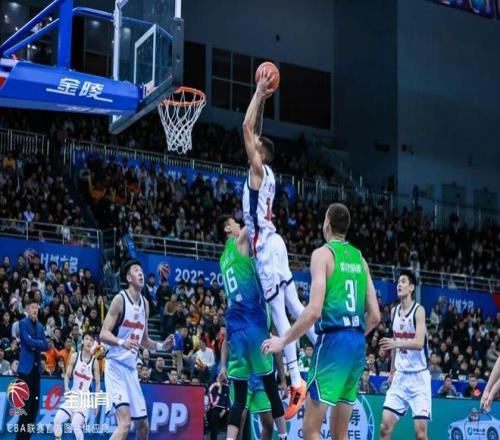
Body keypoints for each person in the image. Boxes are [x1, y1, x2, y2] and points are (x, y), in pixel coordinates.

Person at [262, 203, 380, 440]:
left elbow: (314, 311)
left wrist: (283, 341)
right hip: (357, 345)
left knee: (310, 430)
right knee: (340, 435)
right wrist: (353, 336)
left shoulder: (323, 254)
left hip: (333, 343)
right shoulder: (360, 259)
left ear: (327, 222)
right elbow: (375, 316)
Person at [242, 69, 316, 419]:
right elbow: (255, 128)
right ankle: (322, 341)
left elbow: (246, 128)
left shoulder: (258, 171)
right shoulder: (268, 172)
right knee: (294, 302)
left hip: (266, 249)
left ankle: (297, 381)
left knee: (278, 312)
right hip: (277, 242)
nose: (251, 146)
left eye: (255, 147)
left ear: (261, 155)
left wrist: (258, 91)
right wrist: (262, 101)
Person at [217, 215, 287, 440]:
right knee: (271, 388)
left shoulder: (222, 259)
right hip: (253, 325)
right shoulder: (239, 242)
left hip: (236, 331)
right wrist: (266, 208)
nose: (238, 225)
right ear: (228, 229)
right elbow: (252, 219)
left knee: (238, 400)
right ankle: (285, 437)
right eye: (234, 223)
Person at [100, 260, 174, 440]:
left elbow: (144, 340)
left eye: (141, 270)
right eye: (136, 271)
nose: (141, 273)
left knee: (143, 427)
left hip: (131, 370)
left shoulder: (145, 304)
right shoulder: (120, 300)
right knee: (125, 423)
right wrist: (121, 342)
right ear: (128, 278)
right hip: (115, 366)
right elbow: (103, 334)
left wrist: (161, 346)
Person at [379, 270, 431, 440]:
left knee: (420, 434)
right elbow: (394, 344)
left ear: (411, 287)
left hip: (419, 378)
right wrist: (392, 371)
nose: (398, 285)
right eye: (398, 282)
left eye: (403, 282)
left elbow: (419, 343)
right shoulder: (394, 311)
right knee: (384, 428)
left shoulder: (419, 311)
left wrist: (397, 343)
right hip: (400, 377)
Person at [53, 332, 100, 440]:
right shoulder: (75, 356)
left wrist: (96, 403)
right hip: (73, 397)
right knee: (57, 420)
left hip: (84, 400)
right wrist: (66, 387)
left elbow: (98, 384)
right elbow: (67, 376)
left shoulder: (94, 362)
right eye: (87, 339)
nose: (89, 342)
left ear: (93, 343)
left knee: (75, 425)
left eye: (91, 340)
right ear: (82, 341)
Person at [17, 298, 49, 440]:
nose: (35, 310)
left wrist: (35, 343)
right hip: (26, 370)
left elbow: (46, 345)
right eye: (32, 307)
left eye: (36, 307)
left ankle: (27, 438)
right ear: (28, 309)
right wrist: (38, 343)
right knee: (25, 407)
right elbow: (27, 342)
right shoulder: (23, 323)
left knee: (34, 408)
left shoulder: (41, 326)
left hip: (36, 371)